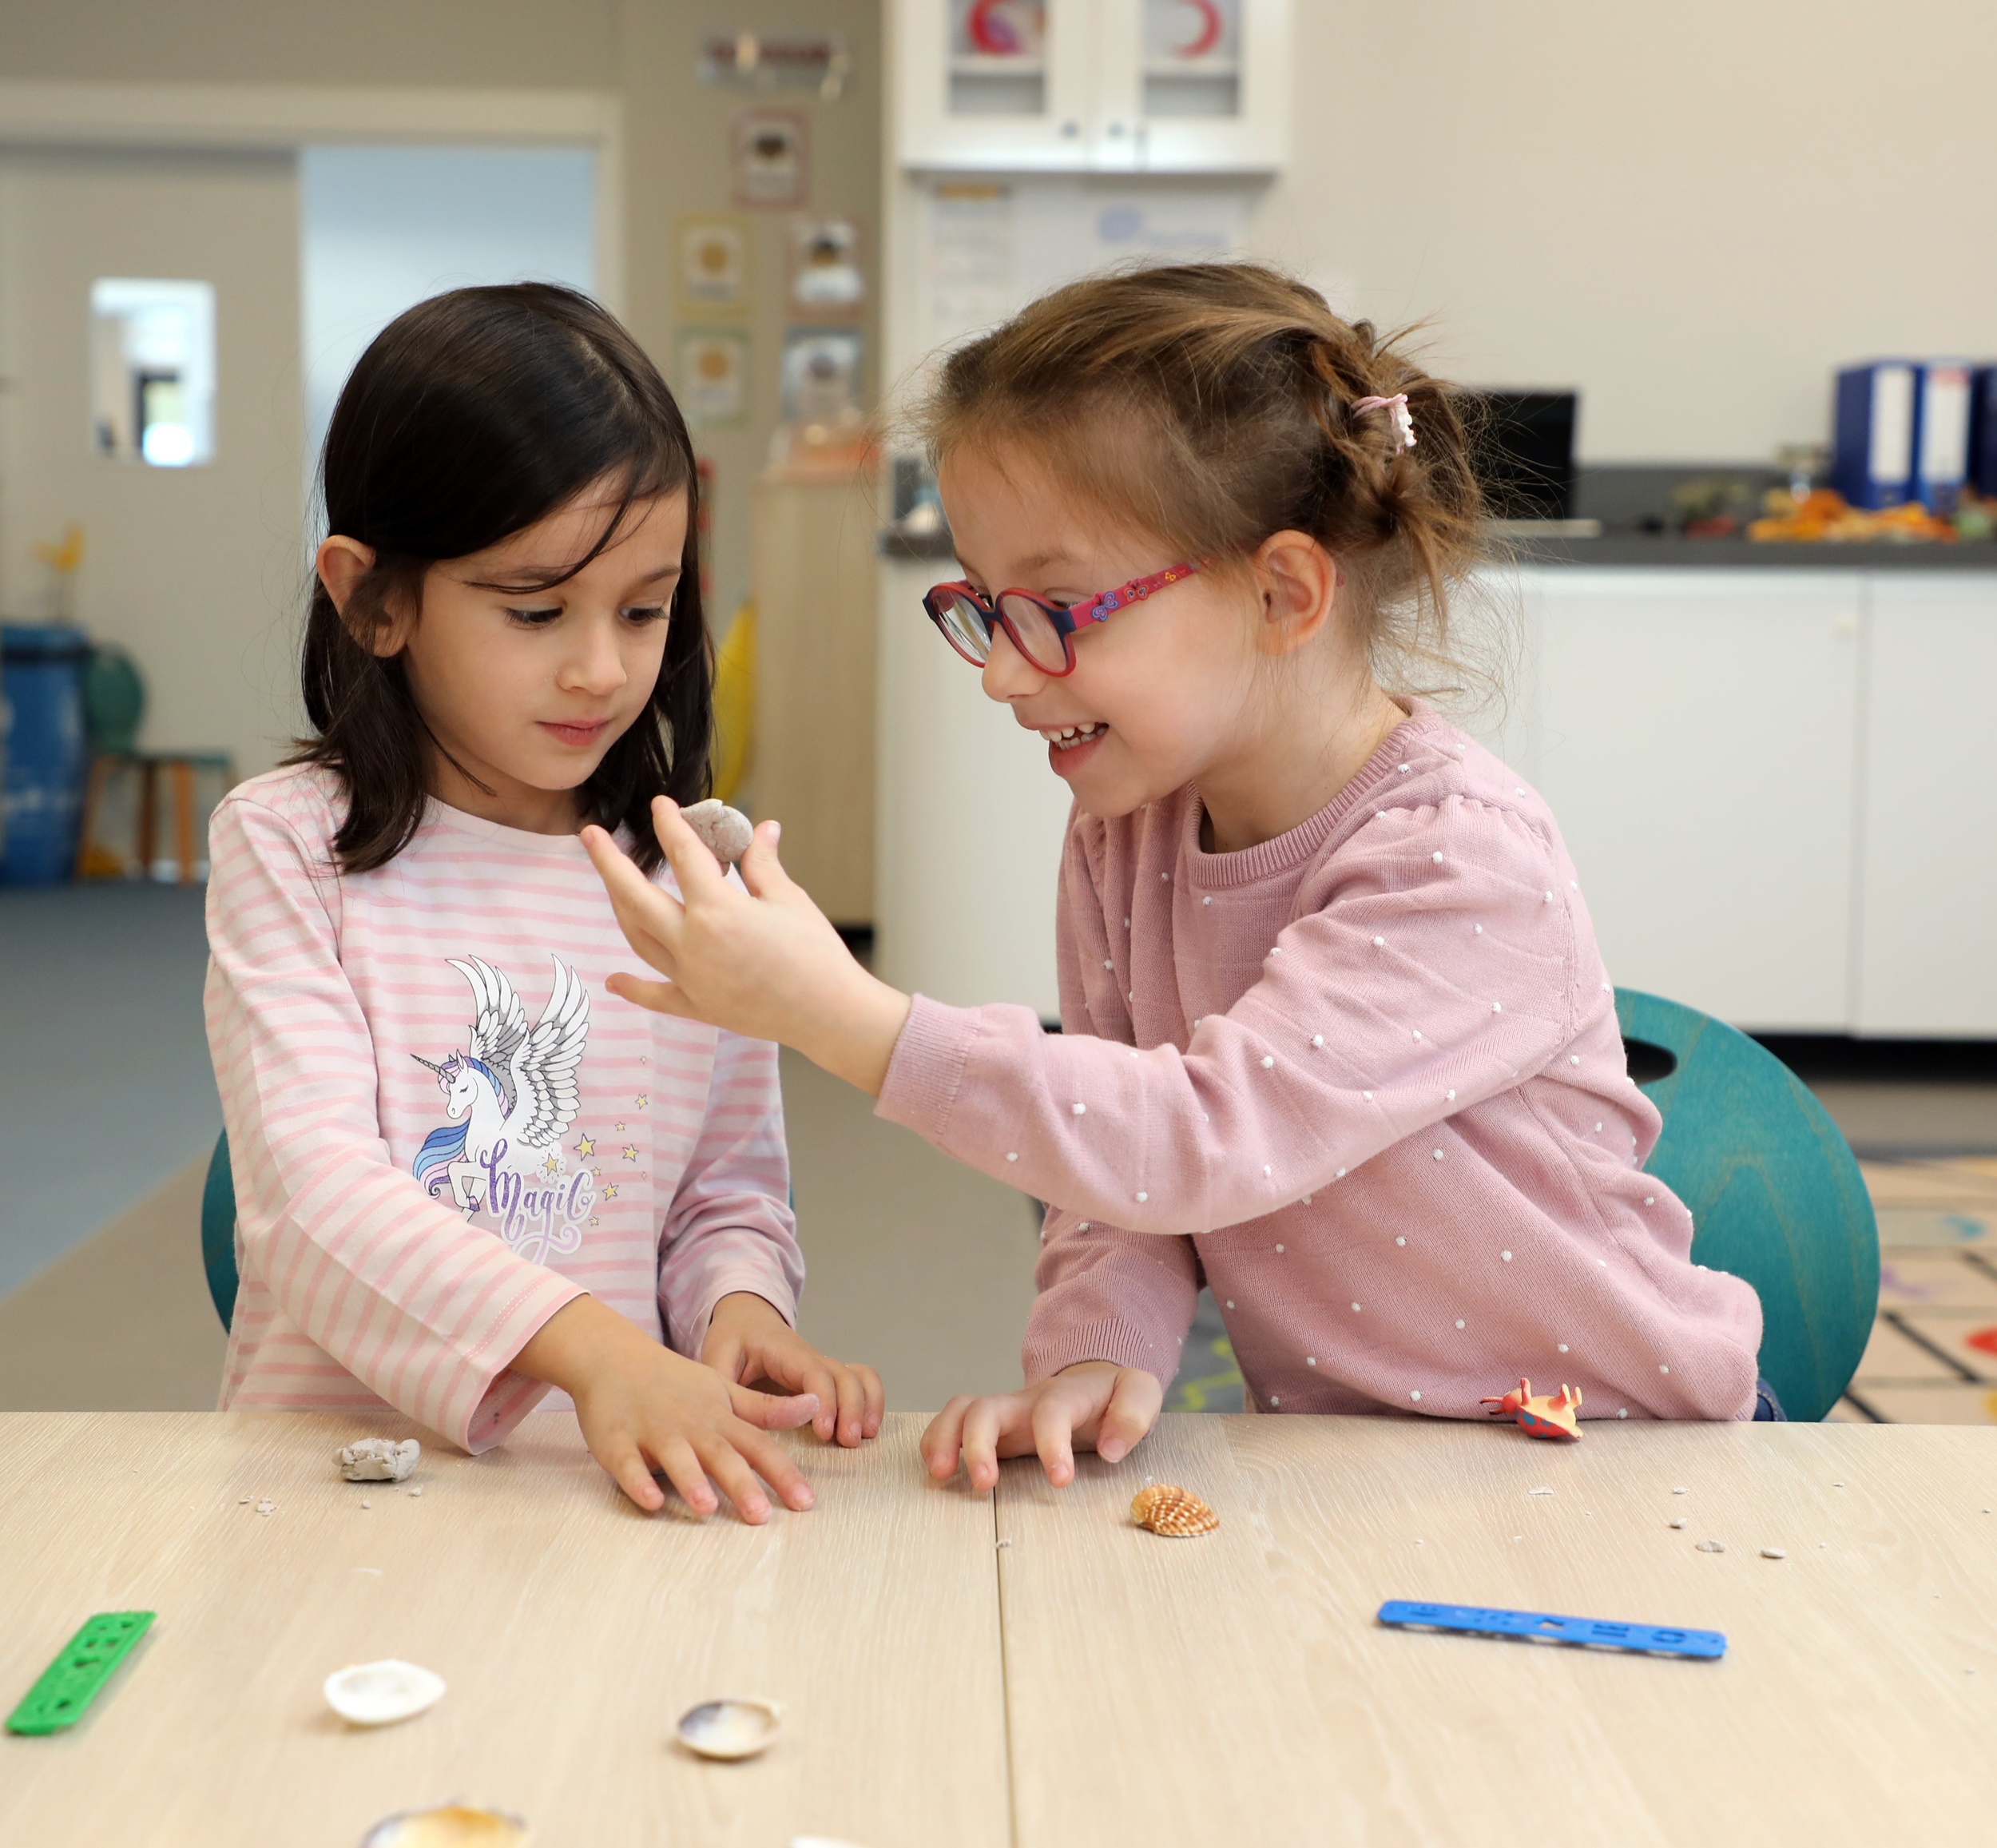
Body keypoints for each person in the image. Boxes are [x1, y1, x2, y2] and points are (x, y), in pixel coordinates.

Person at [580, 261, 1767, 1497]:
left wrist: (842, 1013)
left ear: (1281, 591)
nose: (1001, 670)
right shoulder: (1123, 836)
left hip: (1619, 1449)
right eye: (988, 607)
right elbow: (1113, 1181)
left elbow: (1199, 1132)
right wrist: (1098, 1346)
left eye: (1058, 607)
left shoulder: (1456, 851)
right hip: (1352, 1455)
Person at [206, 284, 881, 1524]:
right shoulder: (289, 847)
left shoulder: (692, 879)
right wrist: (595, 1350)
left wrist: (740, 1309)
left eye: (643, 607)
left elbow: (727, 1190)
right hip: (329, 1497)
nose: (602, 668)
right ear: (374, 598)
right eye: (535, 611)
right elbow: (310, 1202)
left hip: (608, 1489)